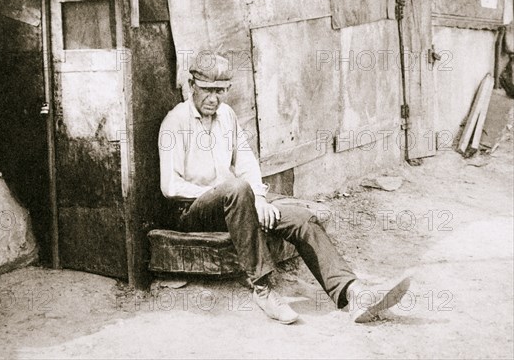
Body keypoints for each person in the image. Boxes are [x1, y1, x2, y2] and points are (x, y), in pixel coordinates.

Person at [158, 53, 410, 324]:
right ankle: (263, 289)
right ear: (191, 85)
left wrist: (259, 199)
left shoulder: (226, 116)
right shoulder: (176, 122)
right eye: (207, 90)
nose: (214, 98)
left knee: (300, 219)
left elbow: (246, 162)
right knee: (237, 188)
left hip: (235, 205)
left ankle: (353, 293)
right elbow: (170, 187)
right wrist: (228, 192)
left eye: (221, 91)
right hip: (191, 213)